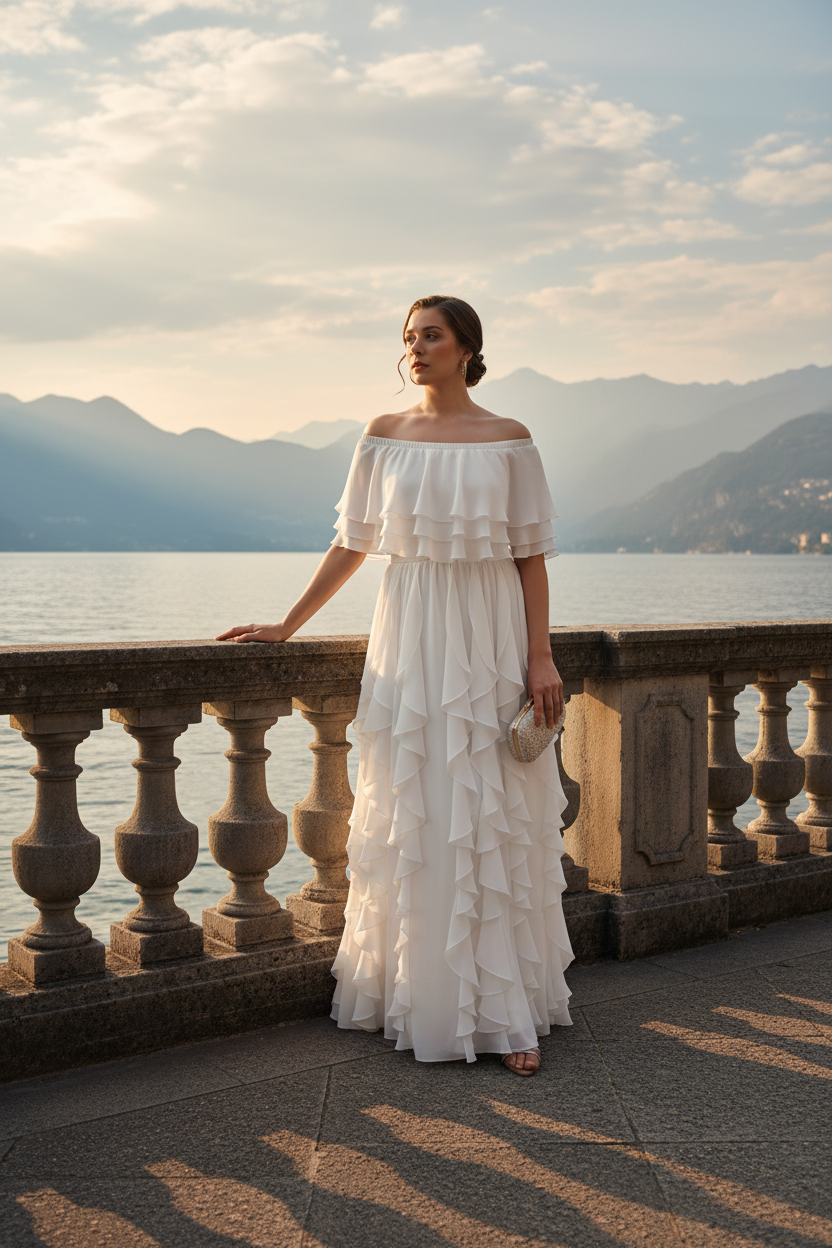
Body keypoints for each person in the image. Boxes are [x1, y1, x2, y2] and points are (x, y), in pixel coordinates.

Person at [217, 295, 573, 1075]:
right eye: (408, 338)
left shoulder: (510, 440)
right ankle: (418, 994)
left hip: (491, 631)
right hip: (410, 634)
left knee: (490, 809)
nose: (415, 348)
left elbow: (530, 557)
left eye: (431, 336)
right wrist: (287, 624)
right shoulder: (383, 436)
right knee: (419, 808)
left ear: (467, 348)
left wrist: (539, 658)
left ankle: (508, 1011)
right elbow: (353, 544)